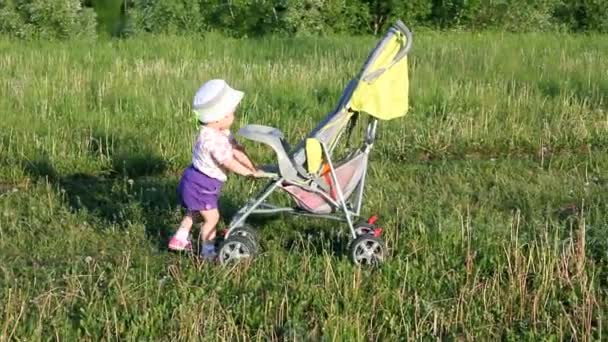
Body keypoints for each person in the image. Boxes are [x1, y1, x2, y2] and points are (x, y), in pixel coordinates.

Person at [168, 79, 262, 260]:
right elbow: (228, 161)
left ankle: (179, 238)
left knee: (195, 211)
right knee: (212, 218)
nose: (234, 116)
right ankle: (207, 252)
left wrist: (253, 167)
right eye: (232, 113)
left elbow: (237, 151)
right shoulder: (210, 140)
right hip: (201, 183)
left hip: (197, 181)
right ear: (220, 117)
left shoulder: (222, 132)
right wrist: (246, 173)